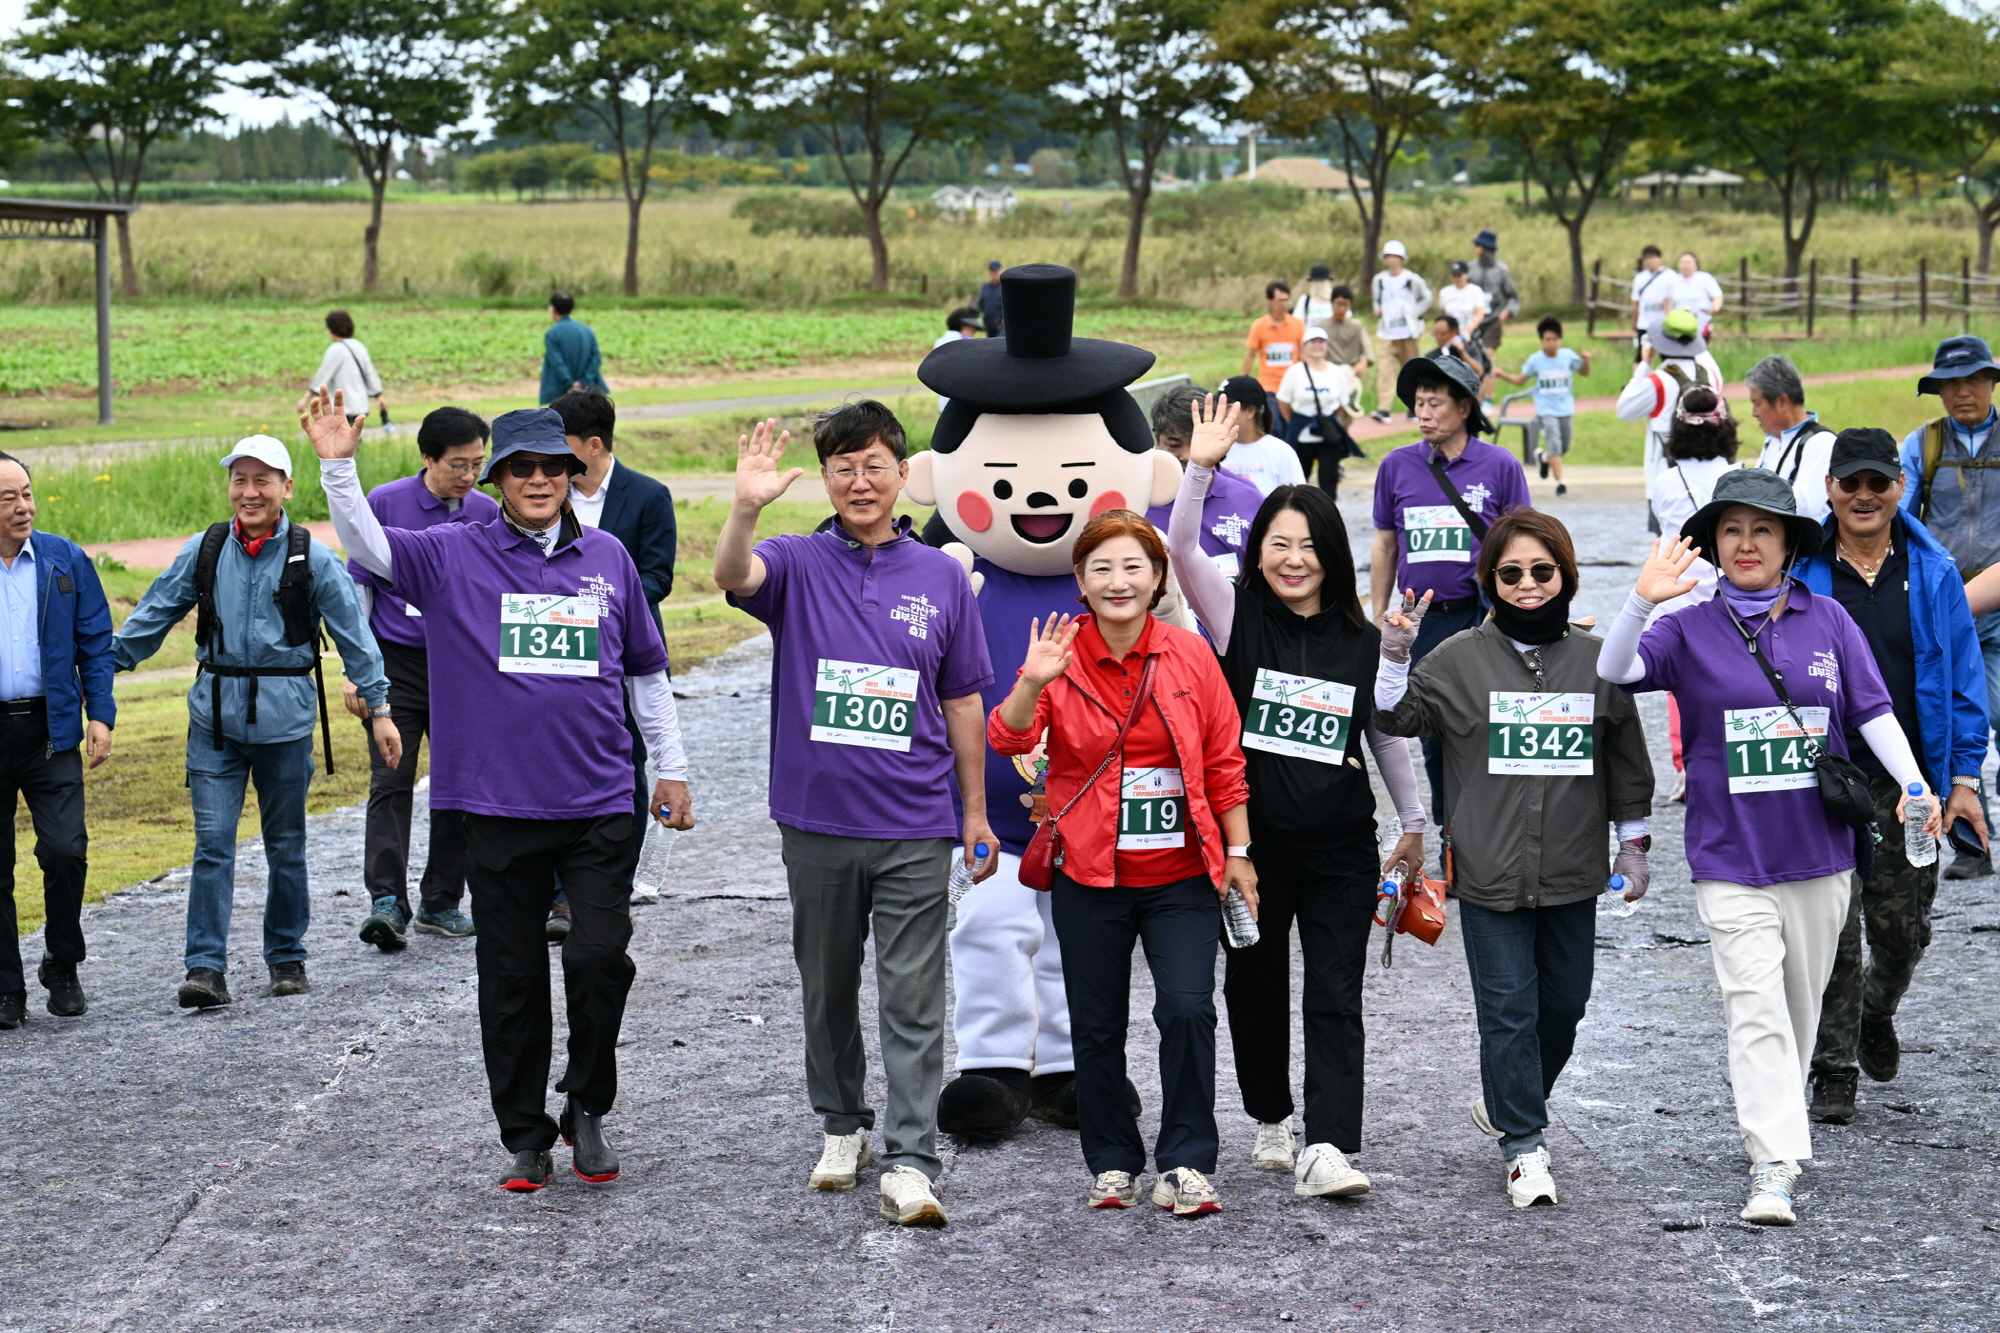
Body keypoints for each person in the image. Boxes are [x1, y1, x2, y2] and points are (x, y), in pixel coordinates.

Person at [314, 395, 693, 1194]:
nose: (538, 480)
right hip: (494, 808)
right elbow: (369, 546)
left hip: (597, 806)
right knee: (512, 977)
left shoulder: (610, 560)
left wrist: (673, 765)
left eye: (552, 467)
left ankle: (586, 1104)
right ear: (498, 478)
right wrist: (336, 467)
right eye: (521, 467)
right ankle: (525, 1134)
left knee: (597, 959)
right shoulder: (455, 553)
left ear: (569, 474)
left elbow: (646, 672)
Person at [1598, 469, 1938, 1227]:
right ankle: (1773, 1164)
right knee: (1753, 1008)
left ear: (1788, 543)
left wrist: (1916, 785)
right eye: (1731, 530)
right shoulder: (1686, 626)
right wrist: (1642, 596)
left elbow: (1873, 708)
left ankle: (1778, 1127)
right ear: (1715, 544)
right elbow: (1615, 669)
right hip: (1729, 859)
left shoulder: (1828, 619)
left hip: (1821, 857)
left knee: (1797, 1010)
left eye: (1763, 529)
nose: (1746, 543)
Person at [906, 263, 1181, 1139]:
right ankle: (991, 1064)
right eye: (1008, 479)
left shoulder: (1123, 580)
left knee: (1079, 943)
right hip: (985, 812)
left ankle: (1069, 1067)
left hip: (1096, 811)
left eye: (1072, 481)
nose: (1038, 502)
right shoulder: (951, 576)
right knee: (987, 930)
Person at [716, 400, 994, 1228]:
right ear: (828, 478)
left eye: (876, 464)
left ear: (902, 473)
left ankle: (912, 1157)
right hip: (817, 820)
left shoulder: (942, 575)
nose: (860, 480)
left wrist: (973, 810)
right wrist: (744, 506)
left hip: (915, 821)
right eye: (844, 466)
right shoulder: (796, 560)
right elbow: (733, 576)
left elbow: (963, 698)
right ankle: (843, 1123)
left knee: (913, 995)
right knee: (827, 985)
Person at [1168, 396, 1426, 1202]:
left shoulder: (1362, 634)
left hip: (1341, 845)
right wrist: (1200, 468)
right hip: (1250, 849)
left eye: (1309, 546)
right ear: (1258, 550)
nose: (1293, 559)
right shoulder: (1234, 613)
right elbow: (1178, 546)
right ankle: (1271, 1115)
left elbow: (1382, 731)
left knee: (1335, 991)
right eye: (1278, 544)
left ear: (1332, 555)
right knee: (1252, 984)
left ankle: (1329, 1144)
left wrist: (1415, 823)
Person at [1375, 509, 1653, 1209]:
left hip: (1572, 869)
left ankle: (1506, 1096)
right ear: (1489, 581)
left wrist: (1635, 844)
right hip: (1489, 872)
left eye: (1541, 570)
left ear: (1565, 574)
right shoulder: (1459, 657)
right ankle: (1525, 1144)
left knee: (1565, 1004)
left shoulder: (1600, 664)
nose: (1528, 584)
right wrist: (1394, 653)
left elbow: (1626, 760)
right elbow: (1393, 718)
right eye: (1511, 573)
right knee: (1507, 1010)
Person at [988, 510, 1253, 1217]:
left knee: (1189, 1009)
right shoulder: (1059, 653)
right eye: (1101, 567)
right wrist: (1031, 680)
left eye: (1134, 566)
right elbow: (1007, 734)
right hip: (1090, 875)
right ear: (1080, 579)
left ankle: (1188, 1160)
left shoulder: (1190, 655)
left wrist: (1239, 851)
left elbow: (1226, 761)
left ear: (1158, 577)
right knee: (1097, 1023)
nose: (1118, 581)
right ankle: (1111, 1160)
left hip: (1181, 876)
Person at [115, 435, 397, 1010]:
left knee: (286, 845)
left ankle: (287, 957)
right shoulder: (206, 549)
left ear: (286, 489)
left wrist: (381, 709)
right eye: (240, 480)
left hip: (286, 725)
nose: (249, 492)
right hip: (213, 724)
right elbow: (150, 618)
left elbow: (356, 638)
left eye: (262, 480)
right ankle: (204, 969)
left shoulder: (311, 557)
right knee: (212, 845)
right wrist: (93, 669)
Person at [1794, 428, 1989, 1124]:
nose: (1865, 495)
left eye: (1879, 482)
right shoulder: (1803, 569)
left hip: (1913, 783)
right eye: (1851, 482)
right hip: (1826, 778)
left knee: (1903, 931)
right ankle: (1833, 1066)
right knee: (1835, 928)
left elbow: (1966, 682)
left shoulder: (1933, 573)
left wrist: (1964, 778)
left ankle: (1878, 1008)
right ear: (1830, 489)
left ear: (1899, 488)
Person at [347, 407, 499, 953]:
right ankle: (386, 901)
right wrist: (356, 671)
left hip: (462, 667)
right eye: (458, 464)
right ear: (428, 458)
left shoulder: (486, 510)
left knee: (458, 786)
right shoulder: (386, 503)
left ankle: (442, 900)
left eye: (478, 464)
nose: (469, 475)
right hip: (396, 667)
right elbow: (359, 589)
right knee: (390, 781)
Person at [1368, 353, 1532, 819]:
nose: (1423, 413)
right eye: (1418, 403)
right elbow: (1384, 546)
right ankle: (1450, 835)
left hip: (1483, 620)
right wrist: (1380, 613)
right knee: (1433, 734)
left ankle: (1496, 828)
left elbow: (1524, 547)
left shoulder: (1501, 466)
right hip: (1421, 624)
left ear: (1464, 407)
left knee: (1488, 727)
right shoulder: (1396, 466)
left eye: (1435, 403)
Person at [549, 388, 678, 927]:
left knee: (626, 758)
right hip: (557, 651)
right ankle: (559, 889)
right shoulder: (548, 496)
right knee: (555, 757)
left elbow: (657, 576)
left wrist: (601, 603)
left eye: (564, 447)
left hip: (625, 650)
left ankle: (613, 878)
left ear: (594, 445)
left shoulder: (648, 495)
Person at [0, 452, 114, 1029]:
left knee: (66, 851)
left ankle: (62, 963)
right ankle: (5, 989)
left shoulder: (63, 559)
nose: (23, 507)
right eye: (7, 499)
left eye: (27, 493)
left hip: (52, 729)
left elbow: (96, 642)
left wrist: (101, 714)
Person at [1897, 335, 2000, 880]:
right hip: (1942, 611)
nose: (1963, 392)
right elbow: (1901, 519)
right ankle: (1971, 841)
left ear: (1991, 383)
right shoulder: (1922, 446)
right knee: (1950, 717)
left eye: (1973, 380)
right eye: (1950, 384)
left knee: (1992, 715)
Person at [1645, 386, 1741, 802]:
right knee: (1734, 681)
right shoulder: (1738, 476)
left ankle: (1686, 768)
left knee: (1678, 690)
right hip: (1729, 596)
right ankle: (1730, 764)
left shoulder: (1665, 481)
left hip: (1678, 595)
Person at [1147, 384, 1265, 584]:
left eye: (1196, 444)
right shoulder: (1136, 501)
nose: (1188, 456)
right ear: (1156, 439)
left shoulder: (1249, 499)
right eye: (1174, 445)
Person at [1617, 309, 1719, 498]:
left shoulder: (1658, 382)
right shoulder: (1711, 376)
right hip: (1709, 480)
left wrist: (1644, 364)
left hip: (1665, 481)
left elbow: (1624, 410)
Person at [1496, 316, 1590, 496]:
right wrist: (1502, 375)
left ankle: (1544, 457)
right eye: (1547, 340)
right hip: (1546, 409)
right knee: (1554, 441)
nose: (1552, 343)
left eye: (1555, 339)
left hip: (1565, 408)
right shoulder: (1535, 360)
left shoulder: (1568, 355)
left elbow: (1584, 372)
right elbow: (1520, 380)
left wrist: (1587, 361)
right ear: (1542, 341)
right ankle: (1560, 483)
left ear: (1560, 340)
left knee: (1564, 447)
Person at [1747, 355, 1837, 523]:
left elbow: (1805, 507)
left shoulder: (1821, 442)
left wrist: (1749, 488)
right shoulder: (1773, 442)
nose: (1754, 413)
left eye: (1757, 403)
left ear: (1782, 402)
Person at [1274, 328, 1361, 488]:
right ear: (1305, 346)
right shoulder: (1294, 372)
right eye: (1312, 341)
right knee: (1298, 480)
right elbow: (1284, 402)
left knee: (1329, 479)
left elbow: (1341, 404)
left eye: (1321, 341)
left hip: (1328, 434)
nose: (1317, 346)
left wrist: (1326, 421)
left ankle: (1328, 512)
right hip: (1302, 434)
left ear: (1327, 345)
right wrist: (1296, 421)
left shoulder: (1336, 372)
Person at [1370, 241, 1432, 422]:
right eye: (1389, 256)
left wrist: (1414, 313)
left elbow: (1426, 298)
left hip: (1408, 331)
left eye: (1396, 256)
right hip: (1387, 332)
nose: (1392, 260)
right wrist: (1377, 309)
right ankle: (1384, 409)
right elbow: (1376, 299)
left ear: (1402, 259)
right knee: (1385, 370)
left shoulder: (1412, 279)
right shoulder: (1380, 280)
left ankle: (1414, 407)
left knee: (1411, 369)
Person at [1215, 375, 1307, 497]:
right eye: (1217, 406)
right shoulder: (1215, 448)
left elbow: (1298, 500)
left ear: (1250, 411)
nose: (1219, 412)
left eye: (1227, 407)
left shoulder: (1281, 452)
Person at [302, 308, 386, 427]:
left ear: (331, 329)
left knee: (340, 442)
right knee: (355, 439)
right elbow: (370, 373)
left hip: (341, 407)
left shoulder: (336, 350)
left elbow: (323, 376)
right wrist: (378, 396)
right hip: (360, 405)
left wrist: (305, 398)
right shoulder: (359, 346)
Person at [541, 291, 607, 406]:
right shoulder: (586, 330)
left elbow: (557, 362)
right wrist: (583, 382)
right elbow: (596, 357)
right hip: (588, 391)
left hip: (561, 392)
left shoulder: (552, 333)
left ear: (553, 309)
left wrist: (570, 384)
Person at [1437, 261, 1491, 396]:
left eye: (1459, 275)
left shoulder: (1474, 291)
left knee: (1479, 365)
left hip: (1469, 335)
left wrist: (1470, 328)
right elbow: (1444, 315)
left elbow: (1480, 313)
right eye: (1454, 275)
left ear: (1466, 275)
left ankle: (1479, 396)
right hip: (1451, 335)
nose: (1457, 278)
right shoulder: (1445, 292)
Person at [1244, 282, 1306, 396]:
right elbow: (1250, 355)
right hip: (1268, 385)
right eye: (1280, 300)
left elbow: (1303, 353)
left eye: (1287, 300)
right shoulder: (1259, 325)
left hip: (1294, 383)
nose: (1284, 304)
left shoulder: (1298, 324)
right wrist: (1243, 379)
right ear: (1270, 301)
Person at [1466, 229, 1519, 359]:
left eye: (1478, 246)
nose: (1475, 248)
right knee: (1471, 353)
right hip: (1473, 318)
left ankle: (1489, 377)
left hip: (1494, 317)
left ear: (1485, 248)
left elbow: (1512, 296)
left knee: (1488, 353)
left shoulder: (1501, 270)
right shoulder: (1470, 268)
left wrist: (1506, 312)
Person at [931, 306, 983, 412]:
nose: (974, 331)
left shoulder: (939, 342)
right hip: (965, 405)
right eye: (972, 327)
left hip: (944, 404)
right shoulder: (967, 343)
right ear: (963, 324)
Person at [1665, 251, 1725, 339]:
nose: (1685, 266)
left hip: (1702, 321)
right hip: (1680, 324)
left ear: (1695, 264)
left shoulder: (1705, 278)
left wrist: (1715, 308)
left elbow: (1717, 296)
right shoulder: (1674, 281)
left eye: (1688, 263)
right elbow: (1667, 300)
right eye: (1683, 263)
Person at [1630, 244, 1673, 364]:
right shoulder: (1640, 278)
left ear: (1660, 258)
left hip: (1664, 324)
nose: (1649, 261)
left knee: (1668, 356)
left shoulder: (1670, 276)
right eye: (1646, 258)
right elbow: (1635, 302)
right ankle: (1640, 382)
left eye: (1652, 257)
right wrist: (1635, 323)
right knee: (1641, 357)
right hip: (1645, 324)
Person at [1319, 284, 1373, 382]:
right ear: (1331, 303)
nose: (1341, 308)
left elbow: (1367, 349)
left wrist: (1363, 363)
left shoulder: (1357, 326)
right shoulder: (1321, 327)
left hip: (1351, 371)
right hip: (1328, 371)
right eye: (1338, 304)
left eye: (1345, 304)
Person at [1291, 263, 1338, 328]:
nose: (1319, 284)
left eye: (1322, 281)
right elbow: (1297, 323)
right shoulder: (1305, 300)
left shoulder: (1336, 299)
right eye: (1316, 281)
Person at [978, 260, 1006, 337]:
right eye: (992, 271)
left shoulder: (1005, 287)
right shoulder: (986, 287)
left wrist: (1005, 318)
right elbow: (981, 303)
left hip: (1001, 325)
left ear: (1001, 271)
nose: (994, 273)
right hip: (988, 324)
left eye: (996, 271)